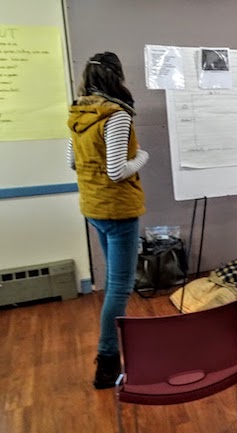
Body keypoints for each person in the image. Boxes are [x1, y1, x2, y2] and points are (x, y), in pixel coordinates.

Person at [67, 52, 149, 389]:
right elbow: (117, 171)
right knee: (120, 287)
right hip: (117, 210)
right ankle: (106, 362)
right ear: (117, 77)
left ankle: (110, 356)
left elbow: (73, 163)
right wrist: (143, 156)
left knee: (115, 282)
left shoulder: (78, 113)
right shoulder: (116, 116)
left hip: (93, 207)